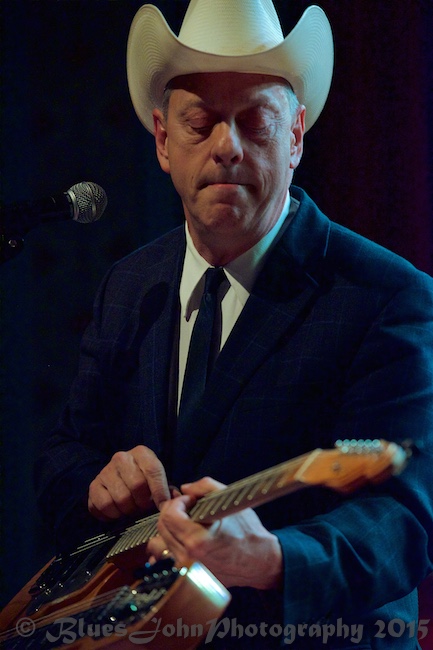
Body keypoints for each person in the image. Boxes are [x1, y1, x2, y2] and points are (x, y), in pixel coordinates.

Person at [35, 1, 433, 648]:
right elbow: (59, 461)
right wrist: (93, 486)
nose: (227, 146)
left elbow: (404, 522)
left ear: (296, 136)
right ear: (163, 141)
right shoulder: (128, 285)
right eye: (201, 123)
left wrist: (273, 558)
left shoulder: (387, 296)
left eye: (255, 122)